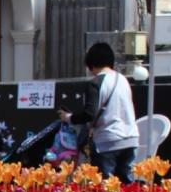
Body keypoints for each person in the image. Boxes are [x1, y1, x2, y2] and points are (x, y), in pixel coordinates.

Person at [58, 42, 139, 182]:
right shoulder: (123, 79)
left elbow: (89, 114)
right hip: (131, 139)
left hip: (107, 141)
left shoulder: (96, 83)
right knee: (127, 186)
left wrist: (68, 117)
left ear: (91, 63)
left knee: (105, 187)